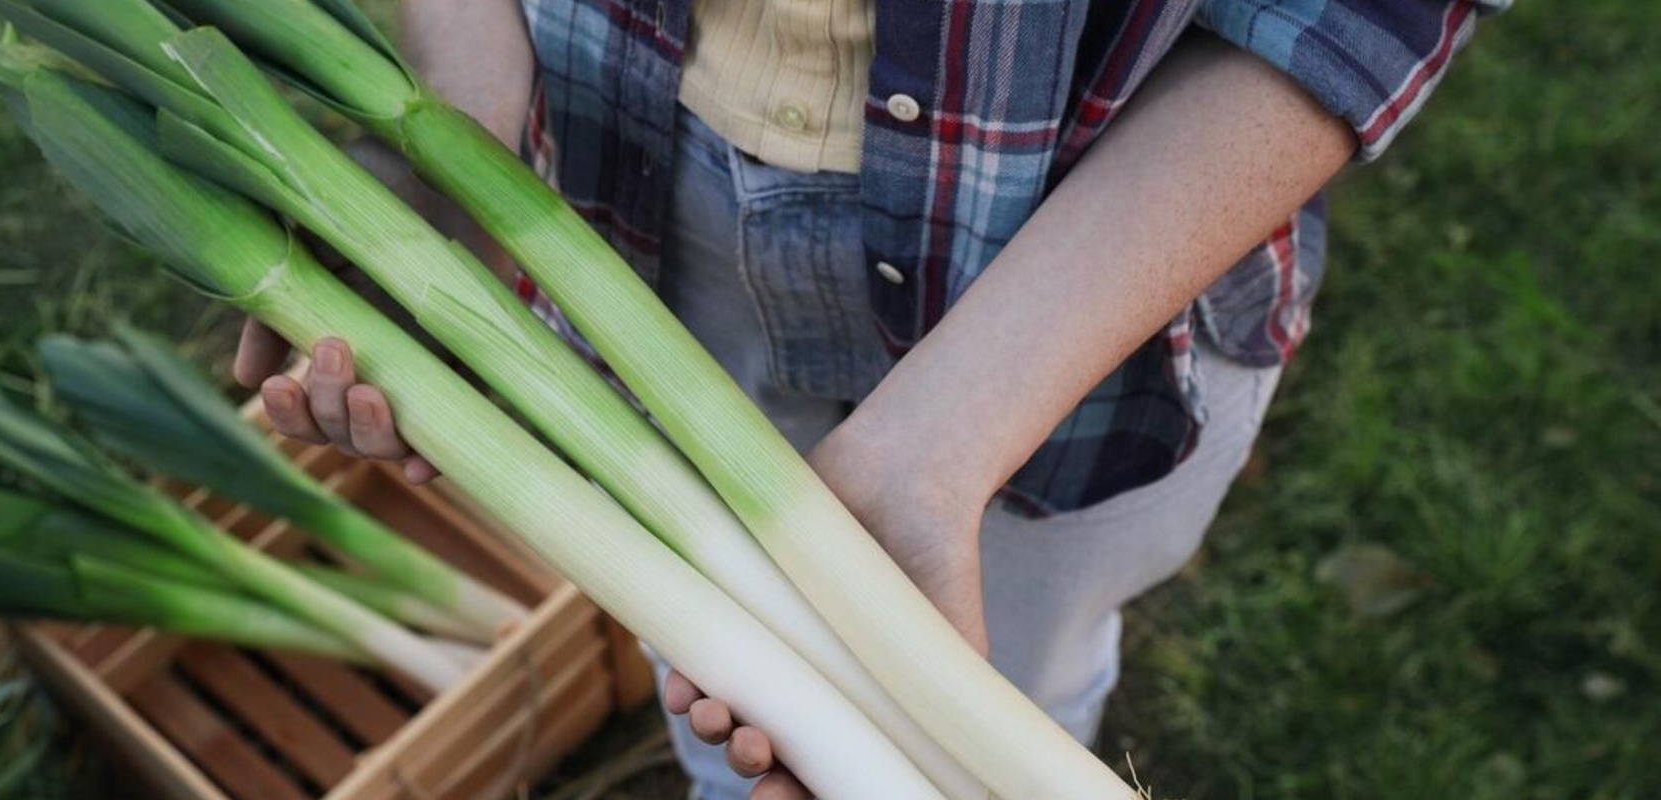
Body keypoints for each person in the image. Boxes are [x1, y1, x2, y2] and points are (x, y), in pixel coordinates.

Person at [234, 0, 1503, 797]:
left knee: (1032, 648)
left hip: (1100, 259)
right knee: (724, 661)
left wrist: (935, 450)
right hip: (622, 188)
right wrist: (454, 128)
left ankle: (1045, 721)